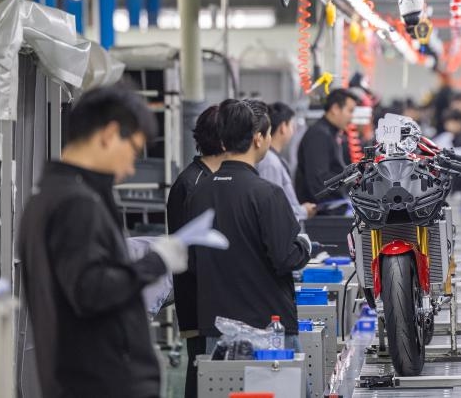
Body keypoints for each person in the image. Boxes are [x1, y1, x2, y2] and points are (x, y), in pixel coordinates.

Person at [17, 85, 191, 398]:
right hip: (99, 383)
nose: (130, 168)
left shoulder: (49, 196)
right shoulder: (76, 204)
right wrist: (155, 263)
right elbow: (90, 290)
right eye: (133, 150)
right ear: (110, 134)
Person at [189, 99, 313, 350]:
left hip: (218, 328)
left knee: (224, 388)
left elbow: (192, 259)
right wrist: (304, 245)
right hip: (267, 328)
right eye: (268, 134)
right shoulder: (266, 194)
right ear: (258, 138)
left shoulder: (198, 192)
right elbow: (285, 257)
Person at [166, 104, 225, 398]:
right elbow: (189, 255)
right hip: (200, 302)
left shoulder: (209, 179)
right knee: (201, 373)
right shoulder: (192, 184)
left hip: (211, 301)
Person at [295, 88, 359, 212]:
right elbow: (319, 182)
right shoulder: (319, 135)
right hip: (322, 213)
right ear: (335, 108)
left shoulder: (331, 133)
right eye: (350, 111)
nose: (352, 118)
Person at [257, 102, 316, 224]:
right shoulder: (269, 162)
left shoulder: (275, 158)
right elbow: (274, 209)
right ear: (283, 127)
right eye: (292, 125)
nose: (293, 130)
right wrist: (303, 211)